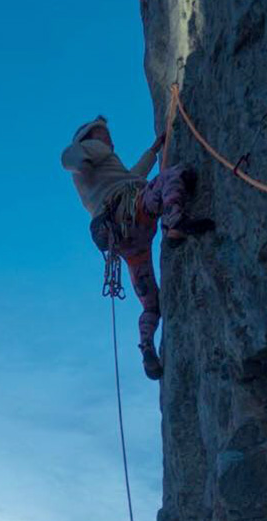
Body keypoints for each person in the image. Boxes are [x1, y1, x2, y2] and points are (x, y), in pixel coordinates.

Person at [61, 115, 215, 380]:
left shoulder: (106, 169)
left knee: (151, 305)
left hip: (124, 240)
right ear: (90, 138)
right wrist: (82, 161)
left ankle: (146, 347)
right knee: (175, 176)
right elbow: (68, 156)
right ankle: (174, 221)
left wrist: (154, 149)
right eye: (102, 134)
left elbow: (134, 176)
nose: (108, 139)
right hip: (129, 211)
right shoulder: (91, 151)